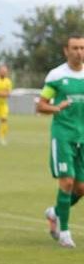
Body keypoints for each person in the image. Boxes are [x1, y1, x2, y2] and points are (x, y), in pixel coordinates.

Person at [39, 35, 84, 249]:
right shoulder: (56, 76)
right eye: (75, 48)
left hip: (82, 136)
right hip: (63, 135)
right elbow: (41, 105)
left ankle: (55, 212)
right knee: (66, 182)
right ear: (66, 50)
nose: (79, 52)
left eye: (82, 48)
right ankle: (64, 233)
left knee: (81, 188)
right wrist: (57, 108)